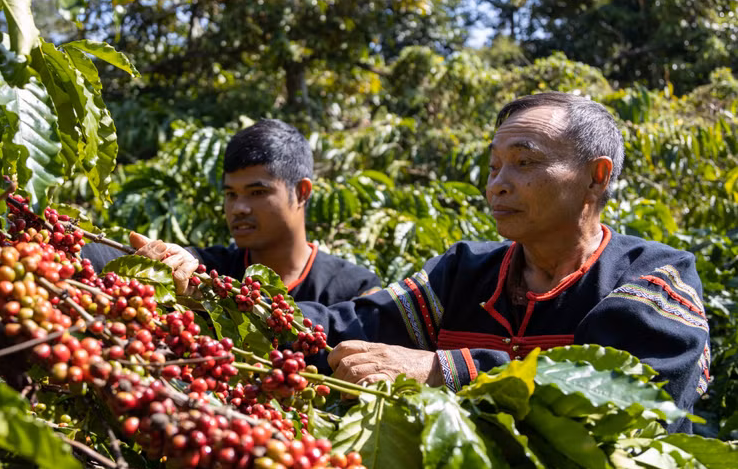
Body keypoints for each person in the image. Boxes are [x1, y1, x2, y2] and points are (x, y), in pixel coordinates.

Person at [142, 93, 710, 434]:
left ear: (597, 175)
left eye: (523, 162)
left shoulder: (655, 279)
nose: (499, 184)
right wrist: (207, 294)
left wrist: (442, 368)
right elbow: (349, 326)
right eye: (493, 167)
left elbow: (615, 394)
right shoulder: (464, 273)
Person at [82, 119, 380, 305]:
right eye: (230, 194)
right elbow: (98, 257)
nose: (238, 208)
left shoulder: (355, 289)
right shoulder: (211, 271)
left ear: (301, 192)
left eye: (257, 192)